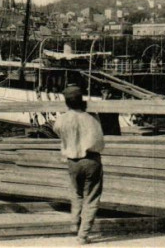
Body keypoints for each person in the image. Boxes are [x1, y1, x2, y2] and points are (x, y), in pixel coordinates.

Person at [53, 85, 105, 245]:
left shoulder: (62, 119)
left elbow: (57, 130)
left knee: (76, 193)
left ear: (66, 102)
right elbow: (100, 141)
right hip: (91, 159)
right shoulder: (92, 118)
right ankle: (83, 236)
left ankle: (74, 222)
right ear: (81, 100)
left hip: (72, 161)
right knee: (91, 197)